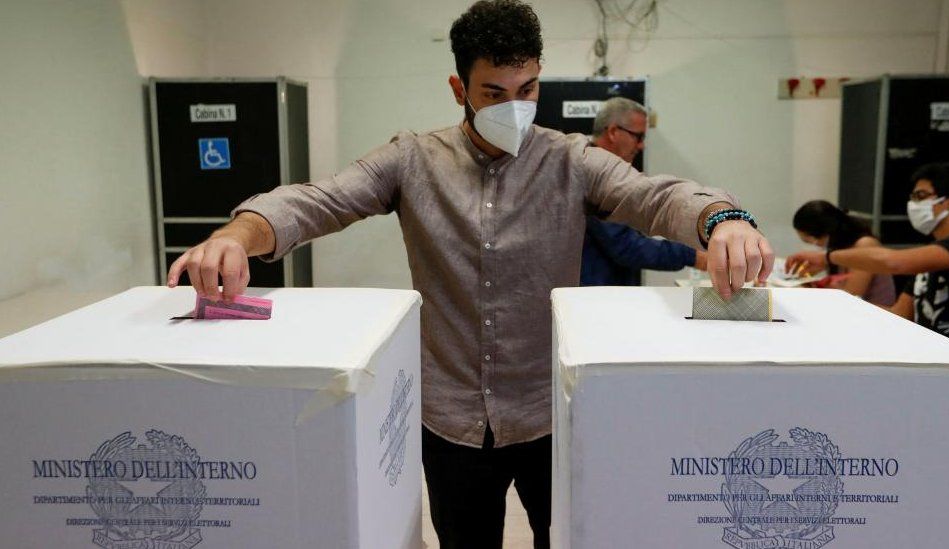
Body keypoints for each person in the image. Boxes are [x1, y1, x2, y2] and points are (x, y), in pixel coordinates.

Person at [167, 1, 774, 547]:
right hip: (451, 418)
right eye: (493, 91)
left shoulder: (569, 160)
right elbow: (316, 200)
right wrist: (235, 235)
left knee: (568, 540)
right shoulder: (411, 159)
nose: (515, 106)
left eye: (528, 87)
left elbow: (655, 196)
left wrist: (723, 219)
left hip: (549, 411)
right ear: (459, 85)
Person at [787, 162, 949, 348]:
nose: (913, 204)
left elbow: (894, 262)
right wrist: (833, 304)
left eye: (921, 196)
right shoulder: (930, 258)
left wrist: (826, 258)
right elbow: (899, 313)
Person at [581, 97, 706, 286]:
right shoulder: (593, 174)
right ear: (613, 132)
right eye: (638, 136)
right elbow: (627, 247)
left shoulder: (607, 173)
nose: (642, 145)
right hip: (597, 299)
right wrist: (694, 256)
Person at [790, 200, 896, 306]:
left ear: (823, 233)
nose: (816, 246)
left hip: (875, 314)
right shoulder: (839, 247)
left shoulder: (865, 245)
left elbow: (852, 294)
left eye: (810, 241)